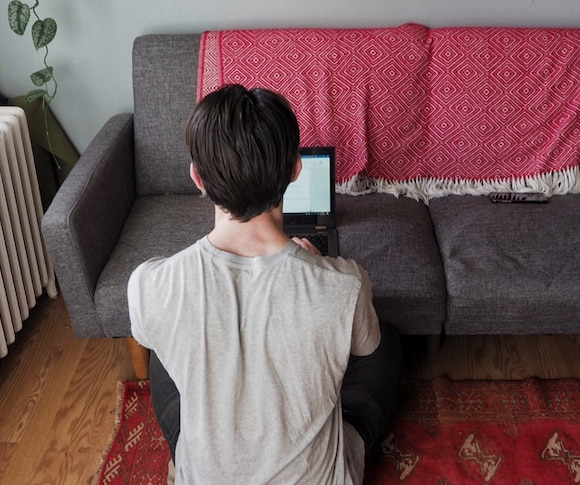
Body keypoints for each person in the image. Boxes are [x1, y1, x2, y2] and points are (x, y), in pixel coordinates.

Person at [127, 84, 403, 484]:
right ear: (296, 169)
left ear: (197, 177)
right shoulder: (346, 285)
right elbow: (367, 348)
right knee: (387, 344)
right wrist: (319, 272)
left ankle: (183, 464)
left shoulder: (151, 285)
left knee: (162, 356)